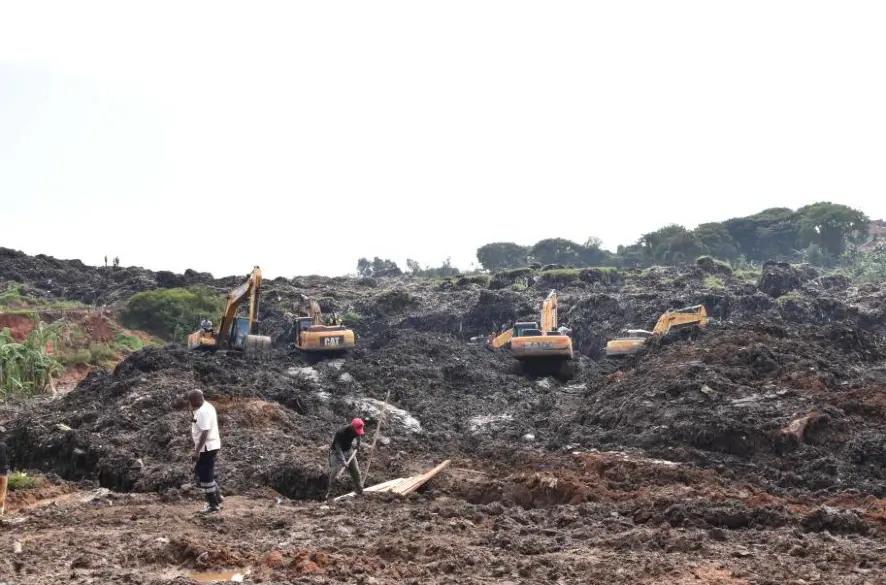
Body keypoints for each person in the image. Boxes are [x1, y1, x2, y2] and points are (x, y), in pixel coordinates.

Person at [188, 389, 222, 513]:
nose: (189, 405)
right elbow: (198, 424)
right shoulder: (206, 406)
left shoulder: (202, 412)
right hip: (210, 446)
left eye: (190, 402)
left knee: (204, 476)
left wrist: (197, 451)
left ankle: (213, 504)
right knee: (203, 472)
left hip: (207, 448)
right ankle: (217, 497)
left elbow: (205, 432)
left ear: (194, 401)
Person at [326, 418, 365, 498]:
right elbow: (338, 447)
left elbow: (359, 435)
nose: (357, 433)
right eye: (356, 430)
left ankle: (359, 491)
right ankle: (330, 495)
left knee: (356, 471)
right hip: (336, 452)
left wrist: (358, 445)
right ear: (352, 427)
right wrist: (343, 460)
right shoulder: (341, 432)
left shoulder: (356, 431)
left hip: (349, 450)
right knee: (335, 473)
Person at [0, 430, 9, 516]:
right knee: (2, 494)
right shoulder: (4, 445)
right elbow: (6, 458)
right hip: (3, 472)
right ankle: (0, 515)